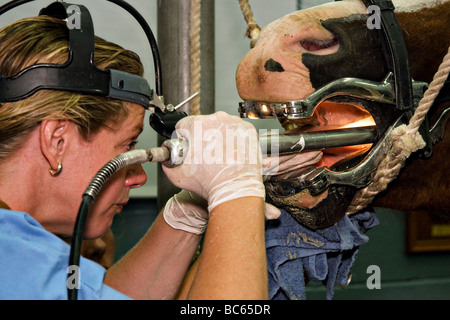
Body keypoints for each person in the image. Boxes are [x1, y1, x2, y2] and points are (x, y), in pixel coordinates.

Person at [0, 16, 268, 300]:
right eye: (128, 145)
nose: (139, 176)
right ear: (57, 141)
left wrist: (190, 210)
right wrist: (237, 194)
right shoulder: (19, 259)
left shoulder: (18, 261)